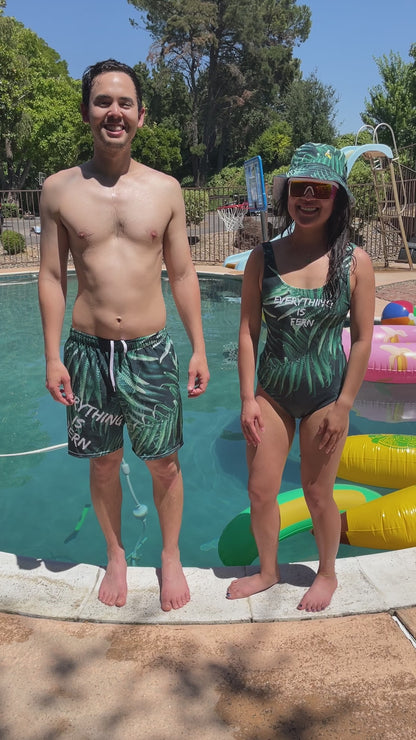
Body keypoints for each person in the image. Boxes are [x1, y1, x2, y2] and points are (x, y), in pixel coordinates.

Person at [38, 59, 209, 612]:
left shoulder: (165, 189)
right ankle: (115, 553)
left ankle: (170, 555)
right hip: (87, 353)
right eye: (103, 101)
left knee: (165, 463)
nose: (114, 112)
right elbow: (51, 276)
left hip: (151, 351)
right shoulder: (58, 189)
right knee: (104, 462)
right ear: (86, 111)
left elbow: (182, 274)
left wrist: (199, 347)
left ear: (141, 115)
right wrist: (52, 357)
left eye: (125, 103)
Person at [226, 143, 375, 612]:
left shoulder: (355, 262)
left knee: (317, 492)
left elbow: (363, 339)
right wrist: (247, 398)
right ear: (287, 193)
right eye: (299, 188)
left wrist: (344, 405)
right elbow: (248, 332)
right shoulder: (264, 257)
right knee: (259, 490)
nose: (308, 198)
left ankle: (326, 572)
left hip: (326, 396)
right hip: (272, 393)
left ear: (338, 198)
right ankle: (269, 570)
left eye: (320, 190)